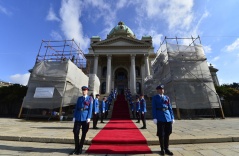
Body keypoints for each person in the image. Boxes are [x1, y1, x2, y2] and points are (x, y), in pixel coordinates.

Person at [152, 84, 174, 155]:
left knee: (168, 133)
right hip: (160, 117)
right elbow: (154, 108)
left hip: (168, 117)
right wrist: (155, 117)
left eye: (163, 89)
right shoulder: (155, 98)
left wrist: (172, 117)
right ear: (157, 90)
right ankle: (162, 149)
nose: (162, 90)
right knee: (161, 134)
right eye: (160, 89)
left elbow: (170, 108)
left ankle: (167, 148)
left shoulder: (167, 97)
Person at [70, 86, 93, 155]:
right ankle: (76, 147)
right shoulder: (79, 98)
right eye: (83, 90)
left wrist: (89, 117)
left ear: (87, 91)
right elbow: (76, 108)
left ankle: (80, 148)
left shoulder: (90, 98)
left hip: (85, 118)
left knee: (84, 133)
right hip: (78, 117)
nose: (83, 91)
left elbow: (90, 109)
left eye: (85, 90)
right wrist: (74, 116)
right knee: (75, 132)